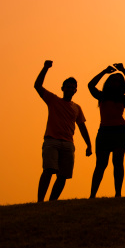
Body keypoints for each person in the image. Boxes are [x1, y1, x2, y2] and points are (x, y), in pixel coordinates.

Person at [34, 60, 92, 202]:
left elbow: (82, 126)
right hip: (52, 140)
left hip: (68, 143)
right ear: (62, 88)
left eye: (73, 87)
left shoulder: (77, 108)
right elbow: (37, 86)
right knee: (49, 170)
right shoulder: (53, 100)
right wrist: (45, 68)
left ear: (76, 90)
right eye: (68, 87)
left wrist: (89, 145)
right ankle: (40, 201)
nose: (70, 89)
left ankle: (52, 202)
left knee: (63, 175)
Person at [88, 63, 125, 198]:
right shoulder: (102, 96)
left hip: (120, 132)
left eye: (118, 81)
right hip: (104, 132)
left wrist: (124, 71)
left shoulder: (123, 98)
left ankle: (118, 194)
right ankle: (92, 195)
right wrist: (104, 71)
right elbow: (90, 85)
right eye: (113, 80)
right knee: (101, 164)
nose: (115, 83)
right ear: (108, 83)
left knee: (118, 162)